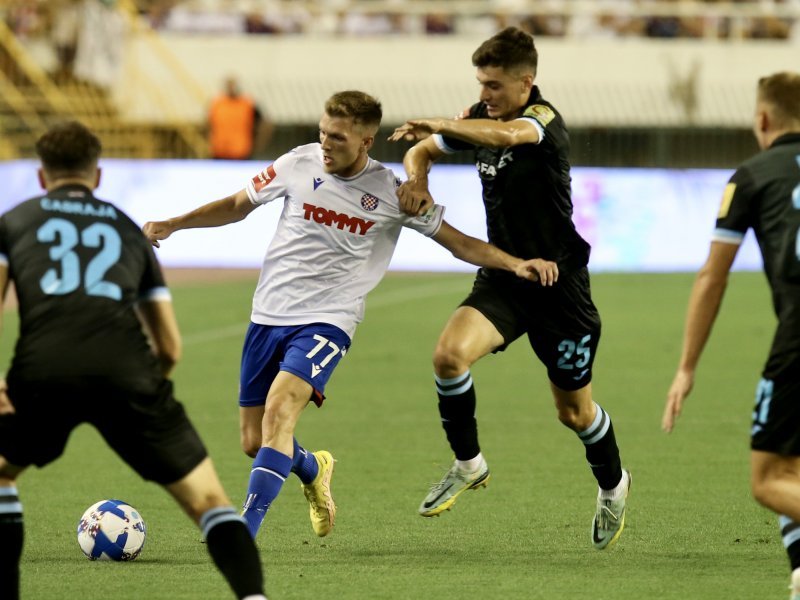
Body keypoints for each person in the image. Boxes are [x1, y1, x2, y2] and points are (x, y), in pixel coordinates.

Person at [141, 90, 558, 542]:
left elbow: (459, 242)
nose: (325, 144)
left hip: (327, 322)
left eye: (337, 137)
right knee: (254, 442)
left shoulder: (393, 193)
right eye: (322, 132)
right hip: (268, 316)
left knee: (280, 411)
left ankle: (244, 529)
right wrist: (175, 223)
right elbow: (237, 205)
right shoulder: (297, 163)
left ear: (366, 141)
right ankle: (312, 467)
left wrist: (516, 263)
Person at [0, 121, 266, 600]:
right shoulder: (126, 229)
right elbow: (169, 347)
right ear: (97, 176)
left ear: (42, 176)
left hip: (43, 372)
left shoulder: (14, 222)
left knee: (2, 474)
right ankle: (254, 597)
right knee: (209, 501)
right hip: (128, 374)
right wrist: (147, 392)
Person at [388, 26, 631, 550]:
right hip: (507, 275)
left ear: (526, 82)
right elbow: (420, 153)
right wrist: (419, 179)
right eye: (480, 83)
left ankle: (613, 484)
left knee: (574, 413)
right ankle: (468, 463)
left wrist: (442, 122)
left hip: (560, 288)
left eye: (494, 85)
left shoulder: (541, 121)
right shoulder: (480, 118)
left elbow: (505, 137)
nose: (484, 95)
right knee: (449, 356)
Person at [663, 71, 800, 598]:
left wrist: (687, 367)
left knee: (769, 480)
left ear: (762, 119)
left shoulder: (753, 174)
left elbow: (713, 276)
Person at [208, 76, 274, 160]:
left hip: (241, 154)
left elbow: (265, 123)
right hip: (219, 153)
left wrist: (258, 144)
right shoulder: (217, 104)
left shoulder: (247, 104)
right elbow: (209, 124)